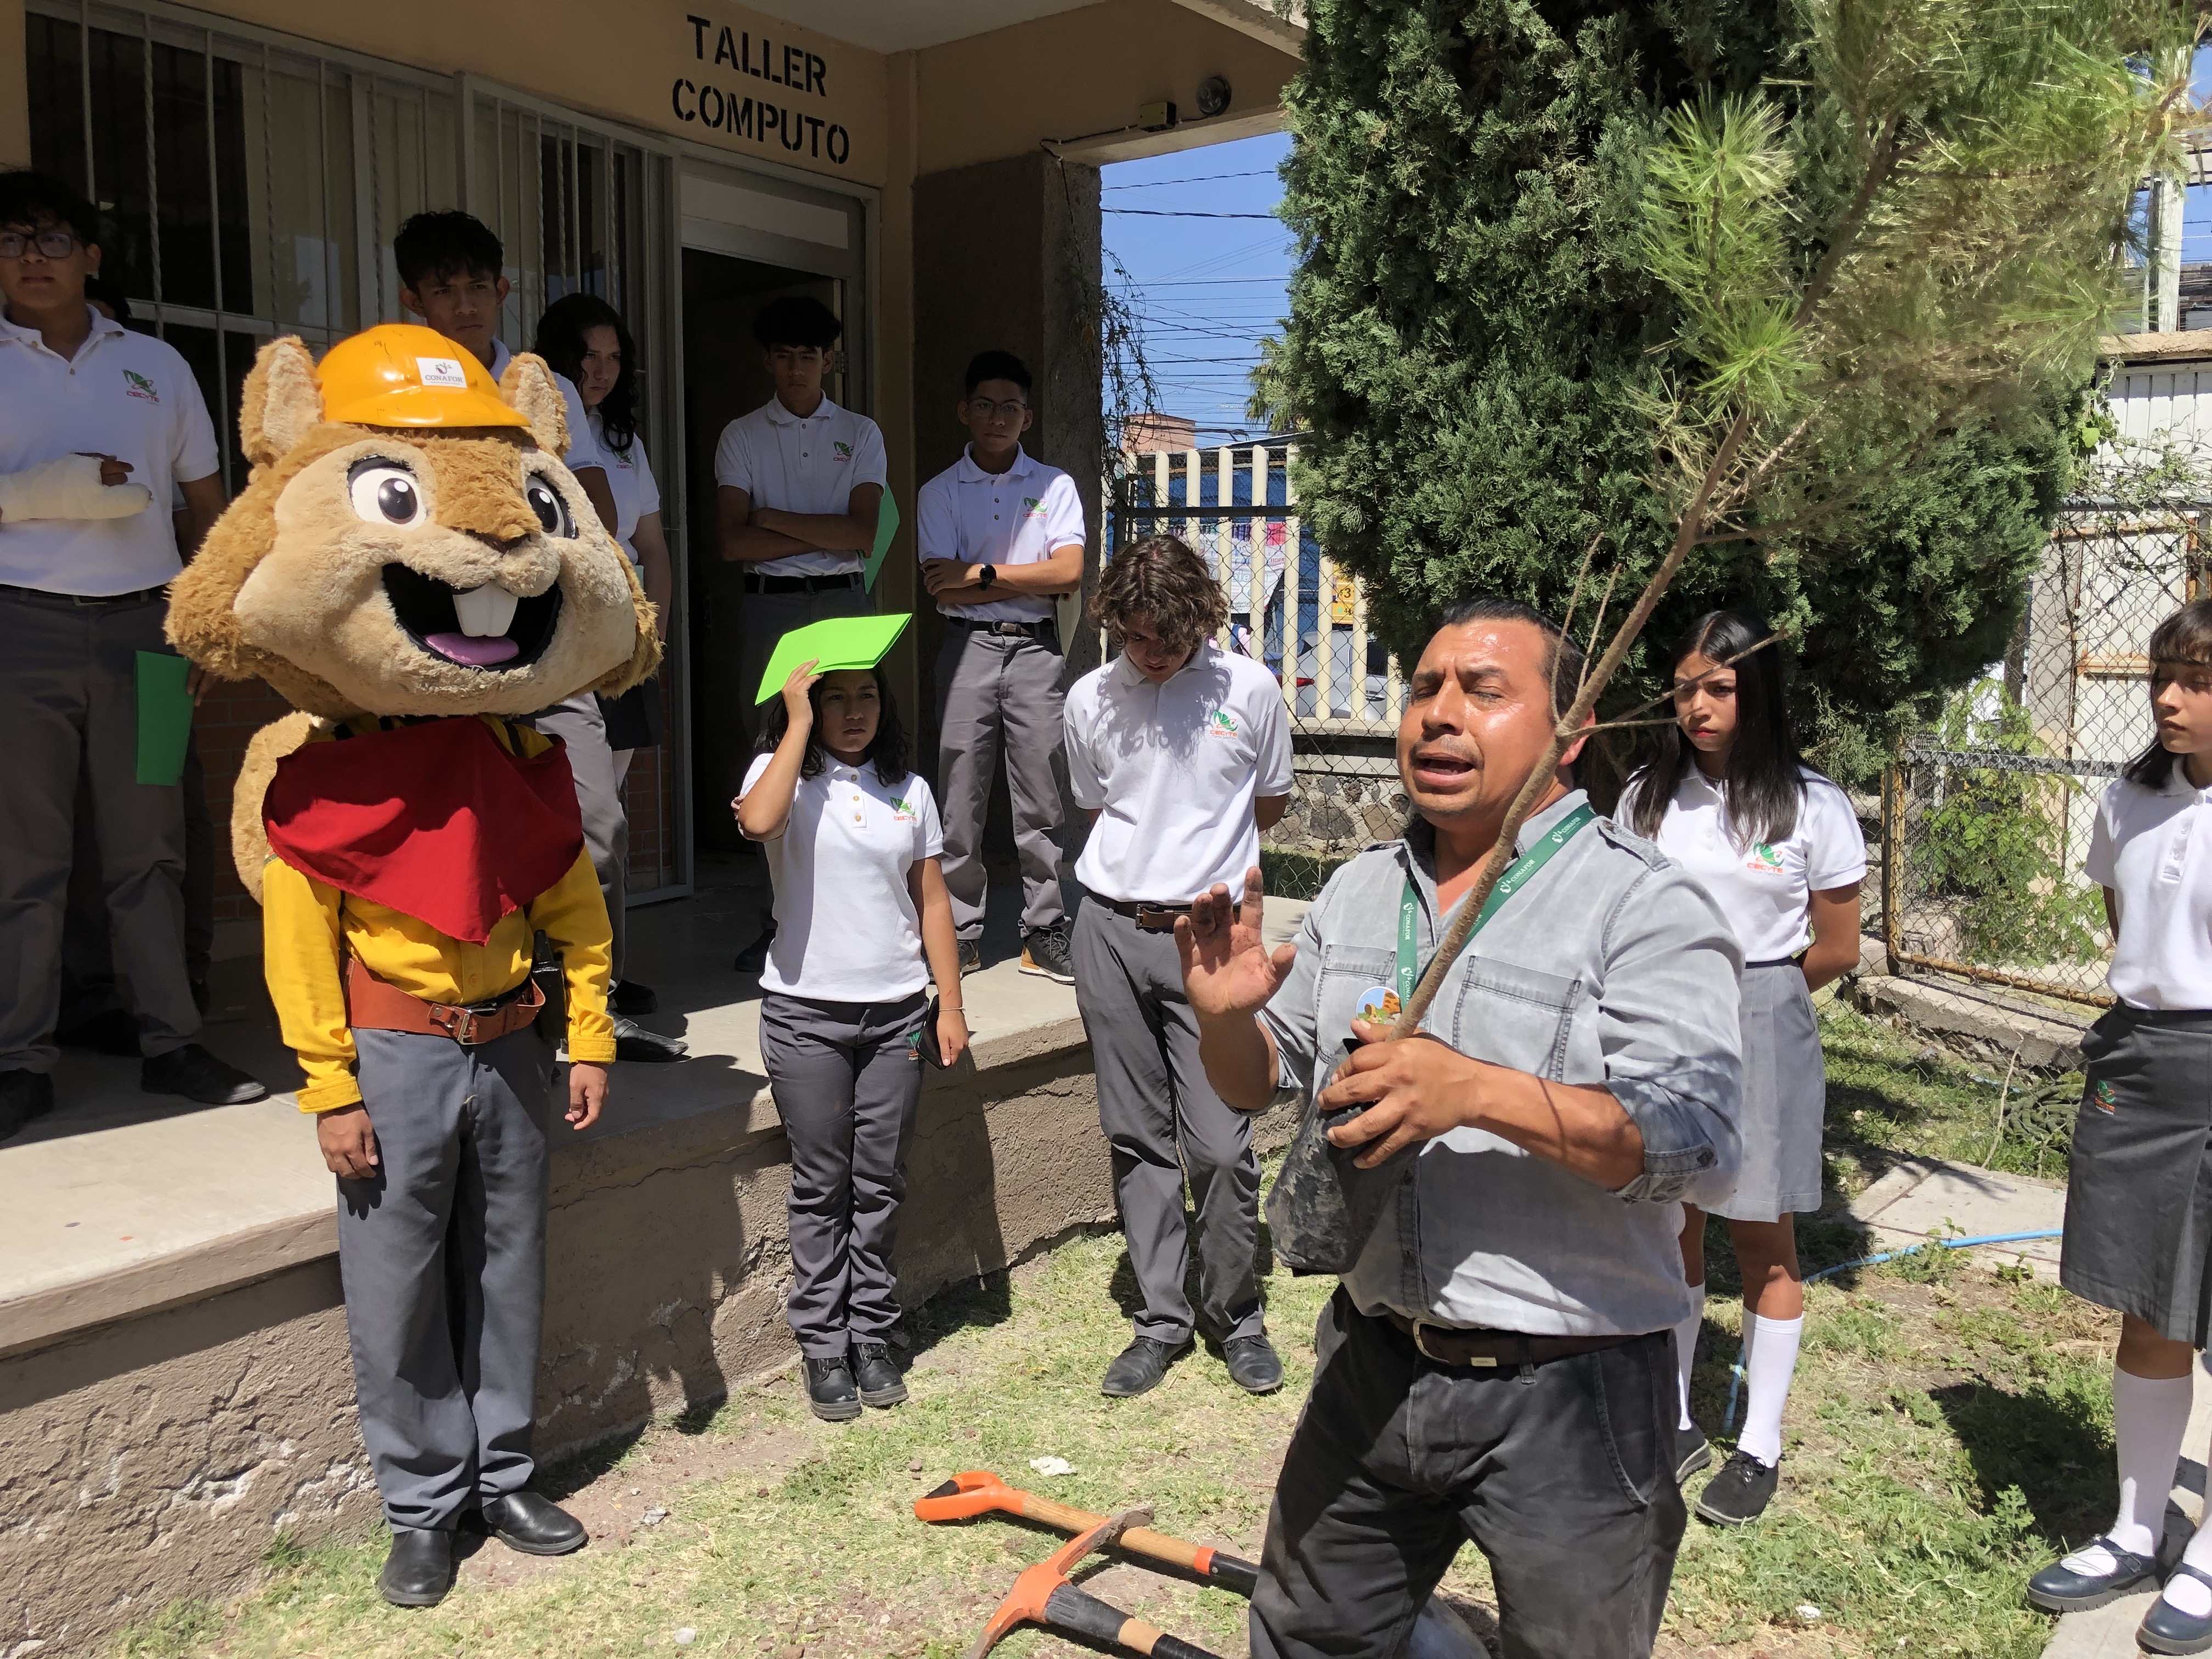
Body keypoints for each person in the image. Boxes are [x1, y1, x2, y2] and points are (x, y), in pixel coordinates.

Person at [1180, 595, 1743, 1659]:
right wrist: (1223, 1019)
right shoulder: (1354, 893)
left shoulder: (1645, 906)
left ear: (1571, 733)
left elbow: (1695, 1143)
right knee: (1304, 1638)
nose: (1438, 714)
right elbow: (1259, 1082)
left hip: (1574, 1386)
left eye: (1484, 691)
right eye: (1424, 688)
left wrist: (1472, 1092)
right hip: (1374, 1363)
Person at [0, 168, 266, 1140]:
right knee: (23, 859)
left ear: (91, 257)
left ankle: (173, 1042)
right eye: (13, 240)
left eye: (51, 238)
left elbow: (209, 511)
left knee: (151, 849)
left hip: (148, 638)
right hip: (15, 632)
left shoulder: (156, 365)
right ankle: (19, 1059)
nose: (32, 257)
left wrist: (202, 621)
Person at [1617, 611, 1865, 1525]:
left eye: (1718, 687)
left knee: (1762, 1235)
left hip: (1764, 1012)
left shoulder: (1809, 804)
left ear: (1756, 690)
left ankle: (1757, 1441)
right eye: (1685, 686)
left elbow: (1834, 945)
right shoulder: (1645, 797)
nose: (1698, 704)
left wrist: (1749, 996)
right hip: (1663, 1022)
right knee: (1668, 1218)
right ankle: (1674, 1412)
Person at [1062, 535, 1293, 1399]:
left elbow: (1266, 799)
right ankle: (1162, 1320)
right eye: (1134, 638)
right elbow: (1099, 807)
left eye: (1166, 637)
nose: (1150, 654)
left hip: (1214, 939)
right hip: (1111, 931)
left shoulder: (1251, 690)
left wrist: (1212, 881)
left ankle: (1238, 1316)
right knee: (1136, 1135)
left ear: (1202, 620)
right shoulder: (1089, 698)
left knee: (1223, 1144)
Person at [2028, 596, 2212, 1655]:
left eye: (2192, 679)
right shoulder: (2129, 795)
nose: (2166, 699)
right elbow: (2125, 919)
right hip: (2142, 1061)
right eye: (2161, 675)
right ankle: (2135, 1527)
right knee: (2146, 1306)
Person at [736, 652, 967, 1423]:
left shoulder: (909, 790)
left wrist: (952, 1004)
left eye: (868, 696)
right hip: (806, 1016)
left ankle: (870, 1331)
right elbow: (757, 823)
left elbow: (931, 900)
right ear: (808, 707)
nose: (856, 712)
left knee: (879, 1181)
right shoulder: (781, 775)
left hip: (897, 1012)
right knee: (820, 1181)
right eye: (837, 700)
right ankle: (823, 1343)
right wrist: (797, 722)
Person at [528, 293, 681, 1058]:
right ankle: (569, 985)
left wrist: (651, 632)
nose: (600, 370)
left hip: (620, 641)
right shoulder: (539, 407)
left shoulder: (623, 438)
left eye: (613, 357)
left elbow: (650, 541)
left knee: (606, 813)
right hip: (556, 640)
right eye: (587, 355)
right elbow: (598, 514)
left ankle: (606, 981)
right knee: (569, 817)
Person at [715, 295, 887, 975]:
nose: (797, 368)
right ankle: (778, 916)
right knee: (771, 748)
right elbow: (732, 541)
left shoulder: (861, 432)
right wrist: (820, 527)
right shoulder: (743, 435)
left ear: (831, 360)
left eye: (810, 356)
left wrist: (777, 518)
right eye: (784, 356)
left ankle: (860, 906)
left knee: (853, 738)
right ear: (767, 360)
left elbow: (864, 533)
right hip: (771, 604)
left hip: (847, 600)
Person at [916, 349, 1084, 984]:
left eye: (1010, 407)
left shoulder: (1054, 486)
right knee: (960, 794)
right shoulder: (939, 491)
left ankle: (1043, 929)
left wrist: (981, 573)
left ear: (1027, 416)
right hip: (968, 647)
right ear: (965, 411)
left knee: (1042, 792)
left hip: (1038, 648)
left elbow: (1068, 574)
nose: (997, 418)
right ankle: (959, 930)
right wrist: (1013, 580)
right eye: (984, 405)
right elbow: (940, 586)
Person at [393, 211, 618, 542]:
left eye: (478, 287)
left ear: (500, 291)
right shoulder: (395, 383)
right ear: (415, 301)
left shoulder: (550, 390)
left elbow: (599, 512)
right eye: (443, 291)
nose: (465, 306)